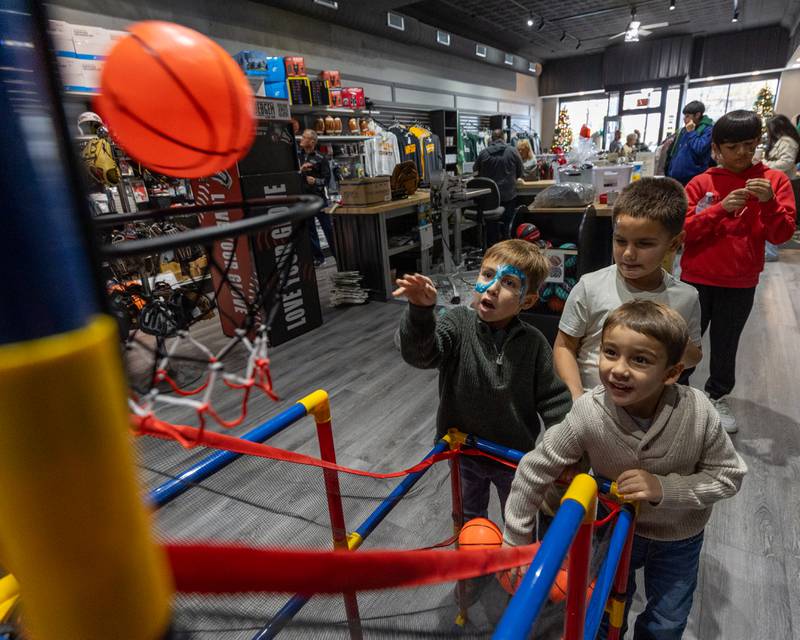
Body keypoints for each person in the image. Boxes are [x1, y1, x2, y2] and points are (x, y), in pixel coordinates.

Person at [503, 300, 747, 640]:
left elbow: (729, 475)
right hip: (612, 528)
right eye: (610, 352)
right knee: (601, 611)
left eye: (640, 360)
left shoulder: (699, 412)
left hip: (678, 538)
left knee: (666, 622)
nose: (618, 369)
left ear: (672, 373)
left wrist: (665, 488)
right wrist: (515, 540)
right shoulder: (589, 411)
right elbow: (534, 468)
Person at [394, 240, 571, 526]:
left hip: (513, 458)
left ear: (526, 301)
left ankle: (515, 566)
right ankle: (471, 565)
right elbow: (421, 355)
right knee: (468, 517)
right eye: (487, 275)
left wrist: (565, 452)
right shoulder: (457, 322)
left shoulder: (534, 344)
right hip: (465, 451)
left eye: (509, 282)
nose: (492, 288)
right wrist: (419, 312)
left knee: (518, 520)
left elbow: (555, 400)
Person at [679, 110, 797, 432]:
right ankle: (675, 392)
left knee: (726, 341)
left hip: (740, 280)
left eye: (749, 143)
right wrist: (719, 209)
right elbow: (683, 232)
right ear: (716, 148)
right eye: (732, 146)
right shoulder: (701, 183)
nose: (742, 153)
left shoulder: (773, 181)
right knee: (684, 339)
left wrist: (769, 203)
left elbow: (782, 235)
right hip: (695, 278)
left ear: (758, 142)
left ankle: (716, 395)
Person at [553, 177, 703, 401]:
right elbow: (564, 345)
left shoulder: (686, 298)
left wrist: (670, 337)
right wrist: (576, 396)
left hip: (650, 409)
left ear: (674, 243)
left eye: (644, 244)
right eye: (620, 241)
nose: (628, 254)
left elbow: (693, 357)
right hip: (592, 404)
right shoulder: (590, 286)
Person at [473, 129, 524, 244]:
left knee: (491, 225)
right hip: (508, 196)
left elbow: (475, 172)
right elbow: (521, 172)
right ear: (504, 138)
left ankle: (492, 246)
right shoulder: (512, 151)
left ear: (492, 139)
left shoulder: (483, 153)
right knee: (508, 224)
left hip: (489, 199)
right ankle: (506, 243)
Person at [762, 114, 800, 261]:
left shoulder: (788, 142)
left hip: (782, 182)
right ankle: (769, 250)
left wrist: (765, 165)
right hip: (776, 180)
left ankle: (771, 252)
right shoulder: (782, 141)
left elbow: (786, 162)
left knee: (776, 215)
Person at [298, 129, 335, 267]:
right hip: (304, 199)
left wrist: (316, 181)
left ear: (312, 141)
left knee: (328, 229)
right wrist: (300, 170)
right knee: (310, 230)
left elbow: (327, 179)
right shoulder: (298, 156)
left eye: (304, 137)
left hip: (319, 200)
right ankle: (319, 258)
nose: (301, 139)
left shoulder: (321, 158)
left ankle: (338, 256)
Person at [665, 100, 714, 185]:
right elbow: (676, 153)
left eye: (687, 116)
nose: (684, 119)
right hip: (675, 178)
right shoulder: (683, 130)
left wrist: (691, 132)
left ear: (697, 115)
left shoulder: (708, 129)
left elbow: (699, 148)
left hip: (693, 179)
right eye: (684, 116)